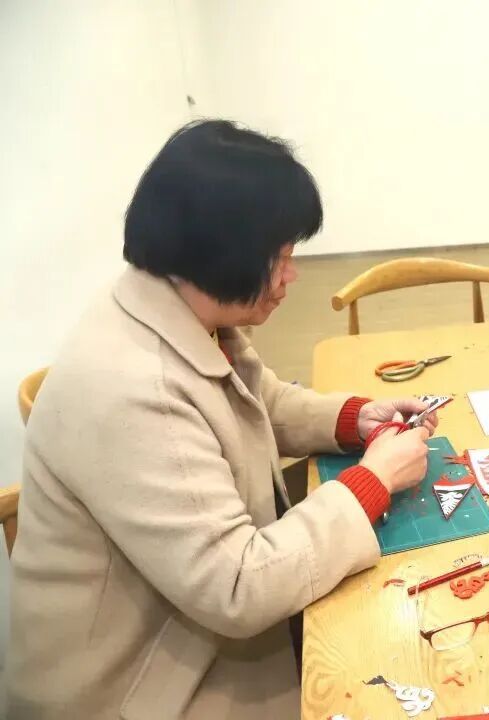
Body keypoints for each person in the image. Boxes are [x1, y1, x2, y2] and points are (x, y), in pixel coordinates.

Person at [6, 121, 437, 719]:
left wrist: (355, 419)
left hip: (185, 630)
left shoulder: (179, 303)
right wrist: (374, 481)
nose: (292, 276)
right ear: (223, 254)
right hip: (136, 689)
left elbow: (254, 401)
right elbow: (238, 585)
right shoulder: (136, 387)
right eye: (281, 258)